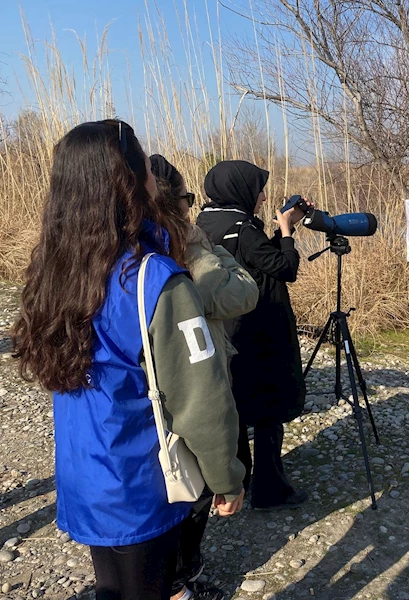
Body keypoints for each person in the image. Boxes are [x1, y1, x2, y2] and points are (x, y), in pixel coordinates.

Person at [11, 120, 245, 600]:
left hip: (85, 475)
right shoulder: (156, 279)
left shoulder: (56, 272)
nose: (155, 177)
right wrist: (226, 476)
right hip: (140, 486)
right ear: (128, 180)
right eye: (145, 165)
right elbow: (201, 395)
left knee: (111, 590)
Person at [150, 153, 259, 597]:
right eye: (184, 200)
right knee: (194, 492)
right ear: (171, 205)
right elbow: (243, 293)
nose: (191, 209)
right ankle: (181, 582)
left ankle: (169, 576)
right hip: (192, 391)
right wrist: (209, 251)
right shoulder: (185, 257)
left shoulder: (110, 258)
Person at [196, 160, 308, 511]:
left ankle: (237, 481)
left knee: (237, 406)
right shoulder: (243, 227)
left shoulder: (204, 222)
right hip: (259, 329)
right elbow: (285, 268)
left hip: (224, 328)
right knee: (269, 408)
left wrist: (277, 234)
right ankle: (271, 489)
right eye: (258, 189)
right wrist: (287, 233)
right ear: (241, 189)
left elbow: (257, 259)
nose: (262, 196)